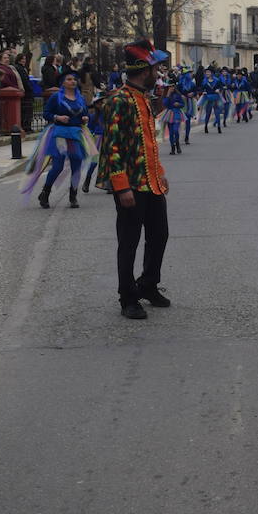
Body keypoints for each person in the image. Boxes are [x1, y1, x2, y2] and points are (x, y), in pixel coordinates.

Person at [96, 39, 171, 320]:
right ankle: (127, 297)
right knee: (129, 242)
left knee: (159, 235)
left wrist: (160, 173)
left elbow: (149, 142)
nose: (159, 73)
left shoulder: (144, 98)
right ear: (144, 70)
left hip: (151, 182)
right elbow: (112, 146)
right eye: (156, 68)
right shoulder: (119, 100)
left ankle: (148, 285)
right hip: (130, 186)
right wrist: (121, 186)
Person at [23, 68, 96, 209]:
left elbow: (85, 115)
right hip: (60, 134)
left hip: (76, 135)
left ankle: (73, 196)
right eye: (69, 79)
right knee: (57, 166)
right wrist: (57, 117)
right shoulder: (56, 97)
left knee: (76, 166)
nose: (73, 81)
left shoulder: (80, 98)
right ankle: (45, 192)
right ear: (63, 83)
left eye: (74, 79)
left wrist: (85, 118)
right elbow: (46, 113)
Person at [159, 82, 187, 155]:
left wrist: (179, 104)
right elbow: (165, 104)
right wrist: (168, 94)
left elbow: (183, 104)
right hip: (169, 114)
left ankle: (177, 143)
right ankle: (172, 148)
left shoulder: (178, 95)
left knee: (175, 130)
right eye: (170, 87)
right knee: (171, 132)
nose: (172, 88)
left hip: (177, 113)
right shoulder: (165, 95)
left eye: (173, 87)